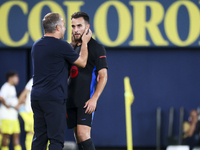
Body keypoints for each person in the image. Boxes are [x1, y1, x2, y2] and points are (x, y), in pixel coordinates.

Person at [31, 12, 92, 150]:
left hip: (37, 98)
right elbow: (82, 62)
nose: (66, 29)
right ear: (58, 28)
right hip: (54, 99)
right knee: (56, 140)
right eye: (64, 25)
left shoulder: (37, 45)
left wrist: (71, 45)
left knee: (40, 138)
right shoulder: (61, 46)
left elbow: (58, 59)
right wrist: (85, 43)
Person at [66, 12, 108, 150]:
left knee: (83, 134)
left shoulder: (96, 47)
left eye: (79, 26)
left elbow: (103, 75)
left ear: (87, 27)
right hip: (70, 99)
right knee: (78, 138)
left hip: (86, 100)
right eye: (73, 26)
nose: (76, 29)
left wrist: (94, 98)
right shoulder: (70, 47)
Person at [0, 71, 22, 150]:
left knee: (17, 136)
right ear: (11, 78)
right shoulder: (6, 86)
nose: (18, 79)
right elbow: (1, 97)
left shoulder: (12, 87)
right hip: (6, 116)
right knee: (6, 137)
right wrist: (6, 105)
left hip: (14, 117)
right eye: (16, 77)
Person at [15, 78, 34, 150]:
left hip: (38, 110)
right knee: (31, 132)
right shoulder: (34, 79)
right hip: (32, 111)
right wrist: (18, 105)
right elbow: (25, 92)